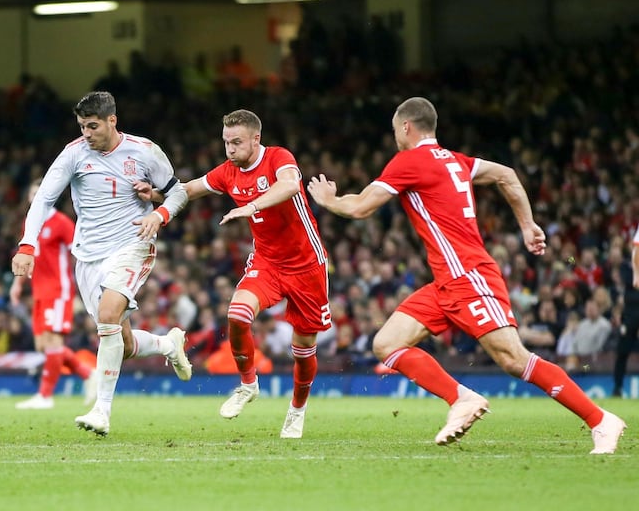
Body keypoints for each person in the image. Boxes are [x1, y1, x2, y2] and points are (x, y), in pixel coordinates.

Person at [307, 96, 625, 454]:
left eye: (396, 129)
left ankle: (600, 420)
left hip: (469, 276)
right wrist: (527, 224)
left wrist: (328, 200)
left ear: (407, 127)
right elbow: (506, 174)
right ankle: (461, 399)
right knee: (387, 344)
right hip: (446, 281)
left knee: (512, 359)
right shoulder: (456, 161)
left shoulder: (410, 161)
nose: (395, 136)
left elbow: (361, 206)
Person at [139, 109, 331, 438]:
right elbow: (190, 189)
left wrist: (253, 205)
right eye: (226, 142)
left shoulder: (278, 158)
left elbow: (289, 185)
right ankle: (248, 384)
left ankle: (297, 409)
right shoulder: (228, 171)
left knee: (303, 349)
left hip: (306, 265)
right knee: (237, 314)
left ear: (256, 139)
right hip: (268, 262)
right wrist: (157, 197)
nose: (230, 149)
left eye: (237, 142)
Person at [11, 91, 192, 436]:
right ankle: (169, 345)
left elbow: (178, 191)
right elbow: (44, 200)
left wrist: (160, 211)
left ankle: (101, 412)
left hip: (132, 244)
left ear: (112, 120)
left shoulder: (145, 151)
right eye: (82, 127)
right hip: (88, 257)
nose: (87, 134)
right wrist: (27, 245)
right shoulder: (74, 154)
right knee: (120, 343)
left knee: (108, 317)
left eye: (93, 126)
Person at [11, 178, 96, 410]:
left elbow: (79, 252)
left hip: (58, 290)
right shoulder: (30, 223)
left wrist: (86, 284)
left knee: (54, 342)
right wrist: (17, 284)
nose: (36, 198)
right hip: (39, 290)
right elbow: (27, 255)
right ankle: (88, 373)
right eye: (32, 194)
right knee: (43, 346)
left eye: (40, 193)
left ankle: (45, 395)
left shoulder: (61, 223)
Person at [613, 227, 639, 397]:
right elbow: (631, 283)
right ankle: (617, 387)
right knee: (622, 349)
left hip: (631, 306)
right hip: (630, 312)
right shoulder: (626, 266)